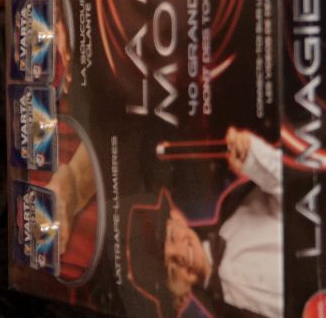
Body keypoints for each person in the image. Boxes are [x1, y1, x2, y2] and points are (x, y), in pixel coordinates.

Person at [53, 127, 281, 318]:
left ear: (178, 219)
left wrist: (253, 156)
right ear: (179, 298)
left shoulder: (238, 210)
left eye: (172, 237)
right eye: (172, 270)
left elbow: (291, 190)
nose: (180, 253)